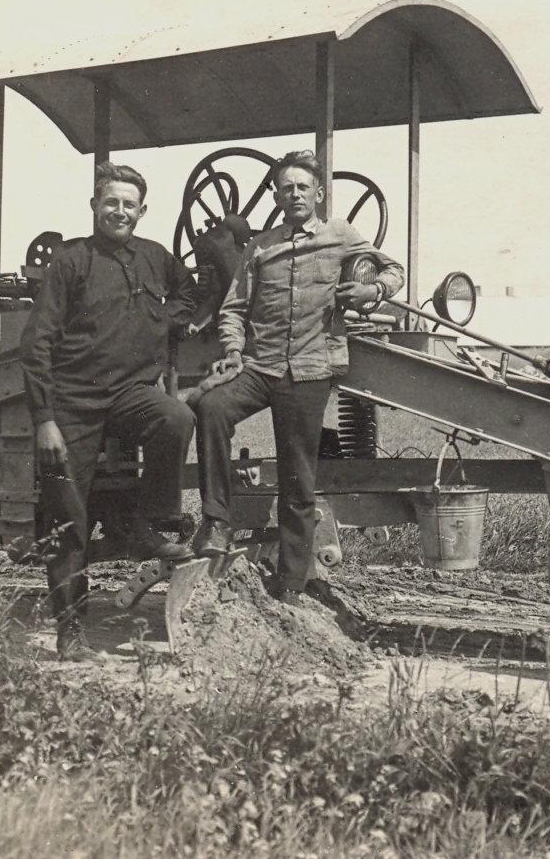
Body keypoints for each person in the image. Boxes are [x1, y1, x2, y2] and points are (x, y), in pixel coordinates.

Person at [191, 151, 403, 605]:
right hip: (260, 367)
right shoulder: (261, 246)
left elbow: (393, 270)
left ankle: (291, 584)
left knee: (297, 479)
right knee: (211, 407)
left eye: (303, 187)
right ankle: (216, 521)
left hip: (309, 372)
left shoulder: (340, 235)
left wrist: (372, 289)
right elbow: (232, 308)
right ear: (276, 196)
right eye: (286, 188)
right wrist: (232, 349)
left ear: (318, 194)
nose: (295, 195)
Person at [20, 161, 198, 661]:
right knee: (68, 522)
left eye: (129, 204)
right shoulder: (71, 261)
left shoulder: (156, 258)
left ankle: (149, 525)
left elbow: (191, 292)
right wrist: (44, 420)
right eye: (111, 202)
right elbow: (35, 345)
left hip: (128, 396)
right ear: (95, 206)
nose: (120, 211)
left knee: (176, 417)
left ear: (142, 211)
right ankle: (70, 634)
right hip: (72, 405)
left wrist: (167, 319)